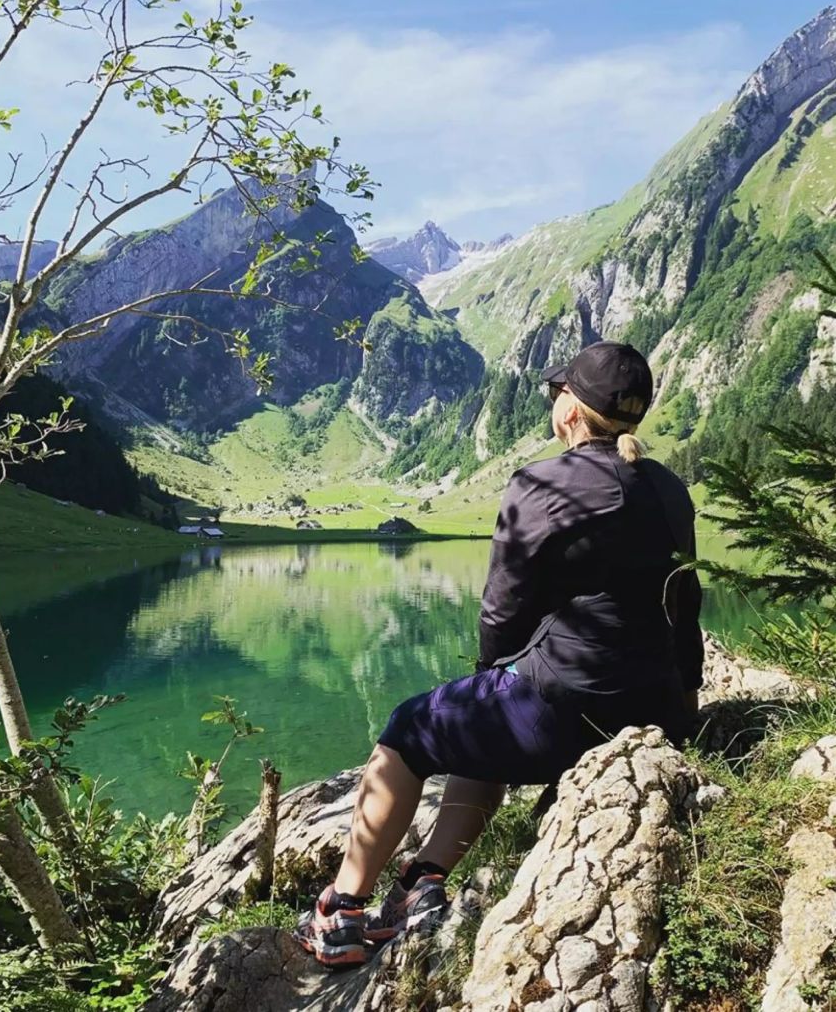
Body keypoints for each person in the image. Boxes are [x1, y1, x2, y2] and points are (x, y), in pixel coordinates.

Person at [295, 340, 703, 968]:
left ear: (571, 410)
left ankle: (343, 910)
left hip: (561, 721)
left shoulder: (542, 484)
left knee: (410, 729)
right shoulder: (671, 490)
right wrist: (685, 709)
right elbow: (684, 606)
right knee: (480, 716)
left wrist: (493, 674)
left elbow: (502, 613)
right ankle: (424, 881)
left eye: (557, 391)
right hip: (656, 711)